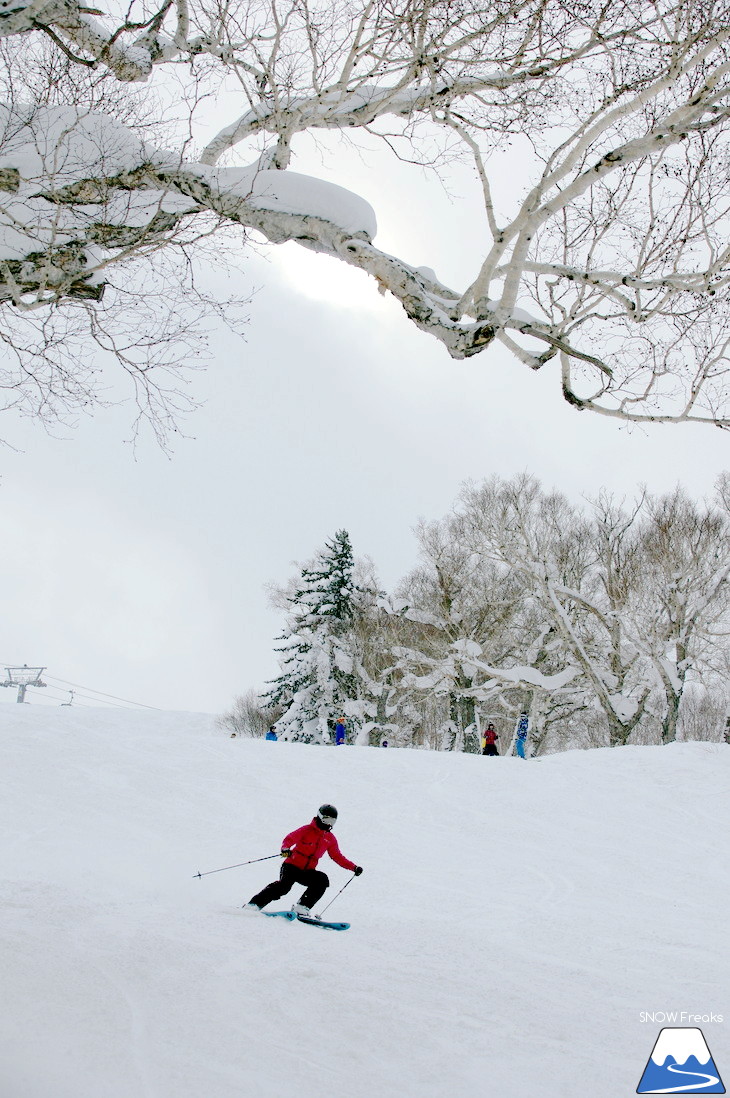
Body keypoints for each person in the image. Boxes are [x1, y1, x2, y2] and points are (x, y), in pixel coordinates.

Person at [245, 804, 363, 915]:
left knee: (322, 880)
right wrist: (285, 848)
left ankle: (302, 907)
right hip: (291, 866)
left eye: (332, 821)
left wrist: (353, 867)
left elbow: (337, 856)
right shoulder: (307, 830)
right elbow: (290, 838)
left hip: (307, 872)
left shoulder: (330, 838)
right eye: (327, 819)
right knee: (283, 887)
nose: (329, 823)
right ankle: (254, 904)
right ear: (320, 817)